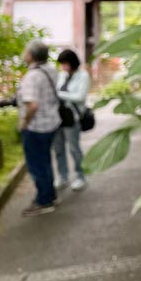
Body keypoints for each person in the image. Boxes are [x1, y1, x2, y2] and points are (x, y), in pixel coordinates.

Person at [16, 40, 61, 216]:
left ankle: (44, 201)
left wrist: (23, 123)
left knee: (37, 165)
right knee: (45, 161)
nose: (23, 52)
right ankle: (50, 195)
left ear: (31, 55)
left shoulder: (32, 76)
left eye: (25, 50)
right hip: (51, 123)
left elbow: (33, 105)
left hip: (36, 127)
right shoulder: (50, 69)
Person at [53, 49, 90, 191]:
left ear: (72, 63)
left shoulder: (83, 76)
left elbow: (80, 97)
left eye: (65, 64)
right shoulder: (62, 75)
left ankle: (80, 176)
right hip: (58, 117)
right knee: (58, 148)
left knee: (74, 148)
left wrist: (59, 94)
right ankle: (63, 176)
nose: (63, 67)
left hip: (72, 117)